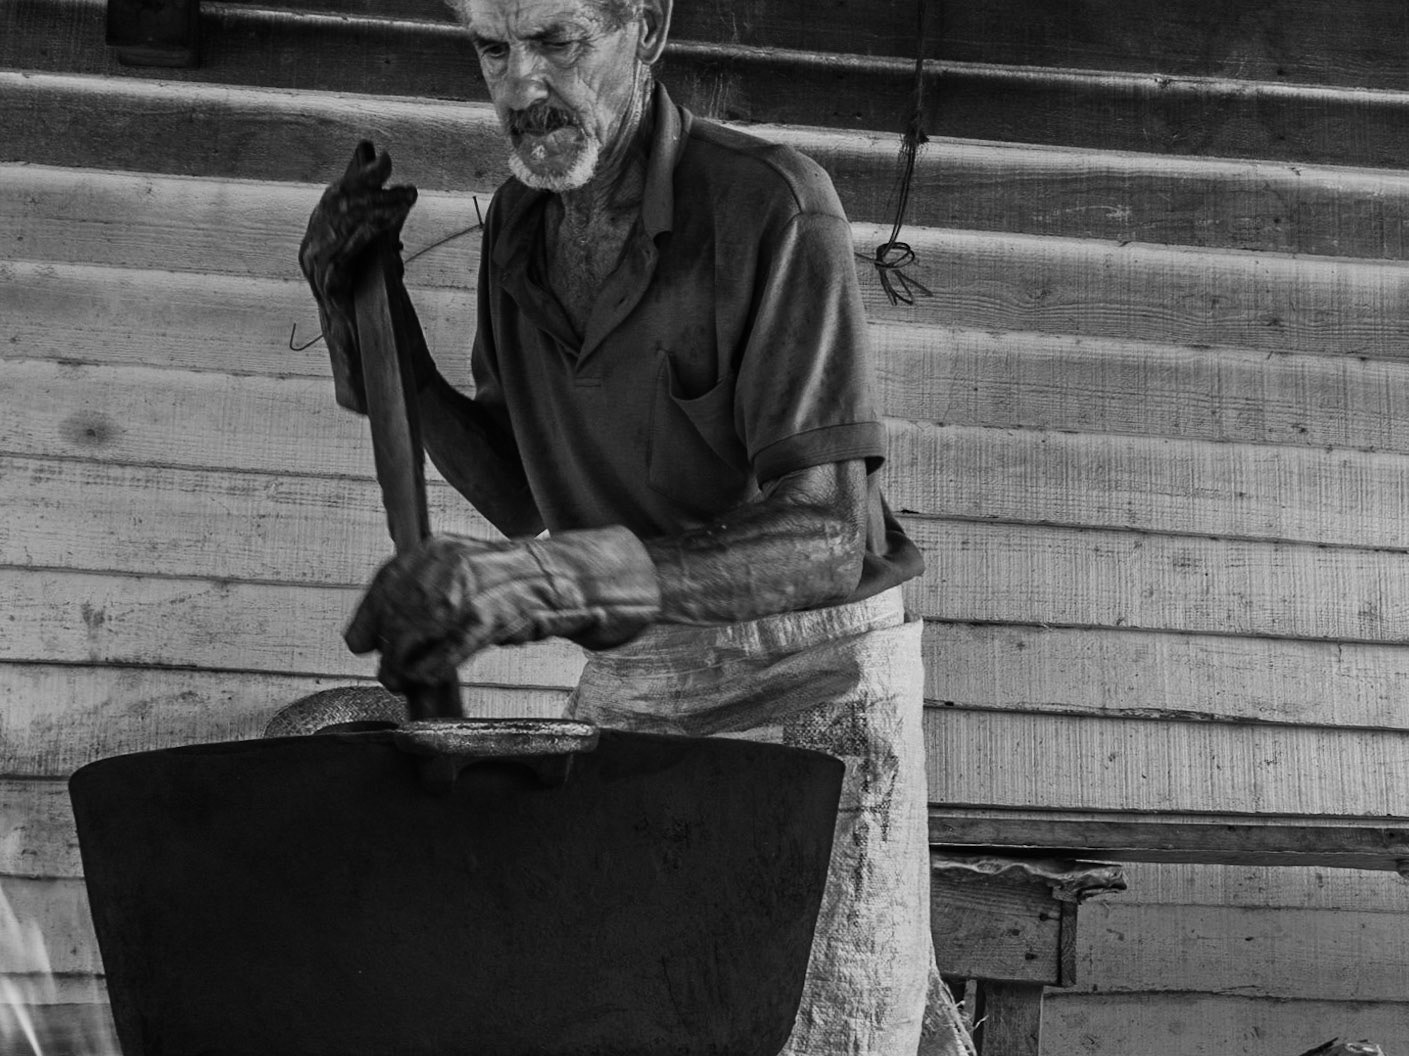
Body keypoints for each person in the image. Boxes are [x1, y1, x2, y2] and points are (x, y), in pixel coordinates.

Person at [299, 0, 974, 1052]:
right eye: (492, 49)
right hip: (644, 666)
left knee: (816, 1026)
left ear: (647, 27)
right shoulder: (519, 226)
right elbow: (524, 491)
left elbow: (824, 540)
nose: (521, 86)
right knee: (627, 1014)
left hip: (814, 675)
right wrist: (372, 320)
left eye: (556, 40)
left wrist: (543, 584)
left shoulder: (771, 205)